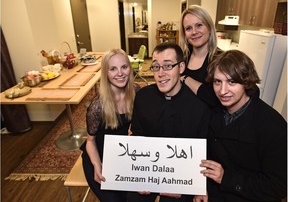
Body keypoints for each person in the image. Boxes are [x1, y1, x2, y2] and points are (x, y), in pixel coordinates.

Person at [194, 50, 287, 202]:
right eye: (218, 82)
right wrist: (201, 187)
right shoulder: (214, 112)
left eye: (232, 82)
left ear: (246, 82)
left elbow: (278, 186)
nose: (223, 91)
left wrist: (226, 178)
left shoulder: (273, 126)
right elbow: (207, 158)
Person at [127, 42, 211, 202]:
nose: (160, 73)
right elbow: (137, 135)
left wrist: (189, 187)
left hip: (182, 177)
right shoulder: (143, 97)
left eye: (167, 66)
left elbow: (202, 149)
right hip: (148, 172)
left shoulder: (199, 105)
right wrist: (137, 177)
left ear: (181, 68)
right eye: (156, 67)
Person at [80, 49, 140, 202]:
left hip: (121, 155)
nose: (120, 73)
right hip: (99, 155)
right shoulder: (97, 106)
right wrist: (97, 165)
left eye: (124, 67)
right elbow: (90, 142)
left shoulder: (137, 92)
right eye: (113, 69)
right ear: (106, 73)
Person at [179, 5, 222, 106]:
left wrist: (186, 79)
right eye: (188, 28)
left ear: (209, 27)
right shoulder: (182, 57)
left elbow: (217, 99)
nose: (194, 32)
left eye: (199, 25)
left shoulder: (222, 59)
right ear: (185, 33)